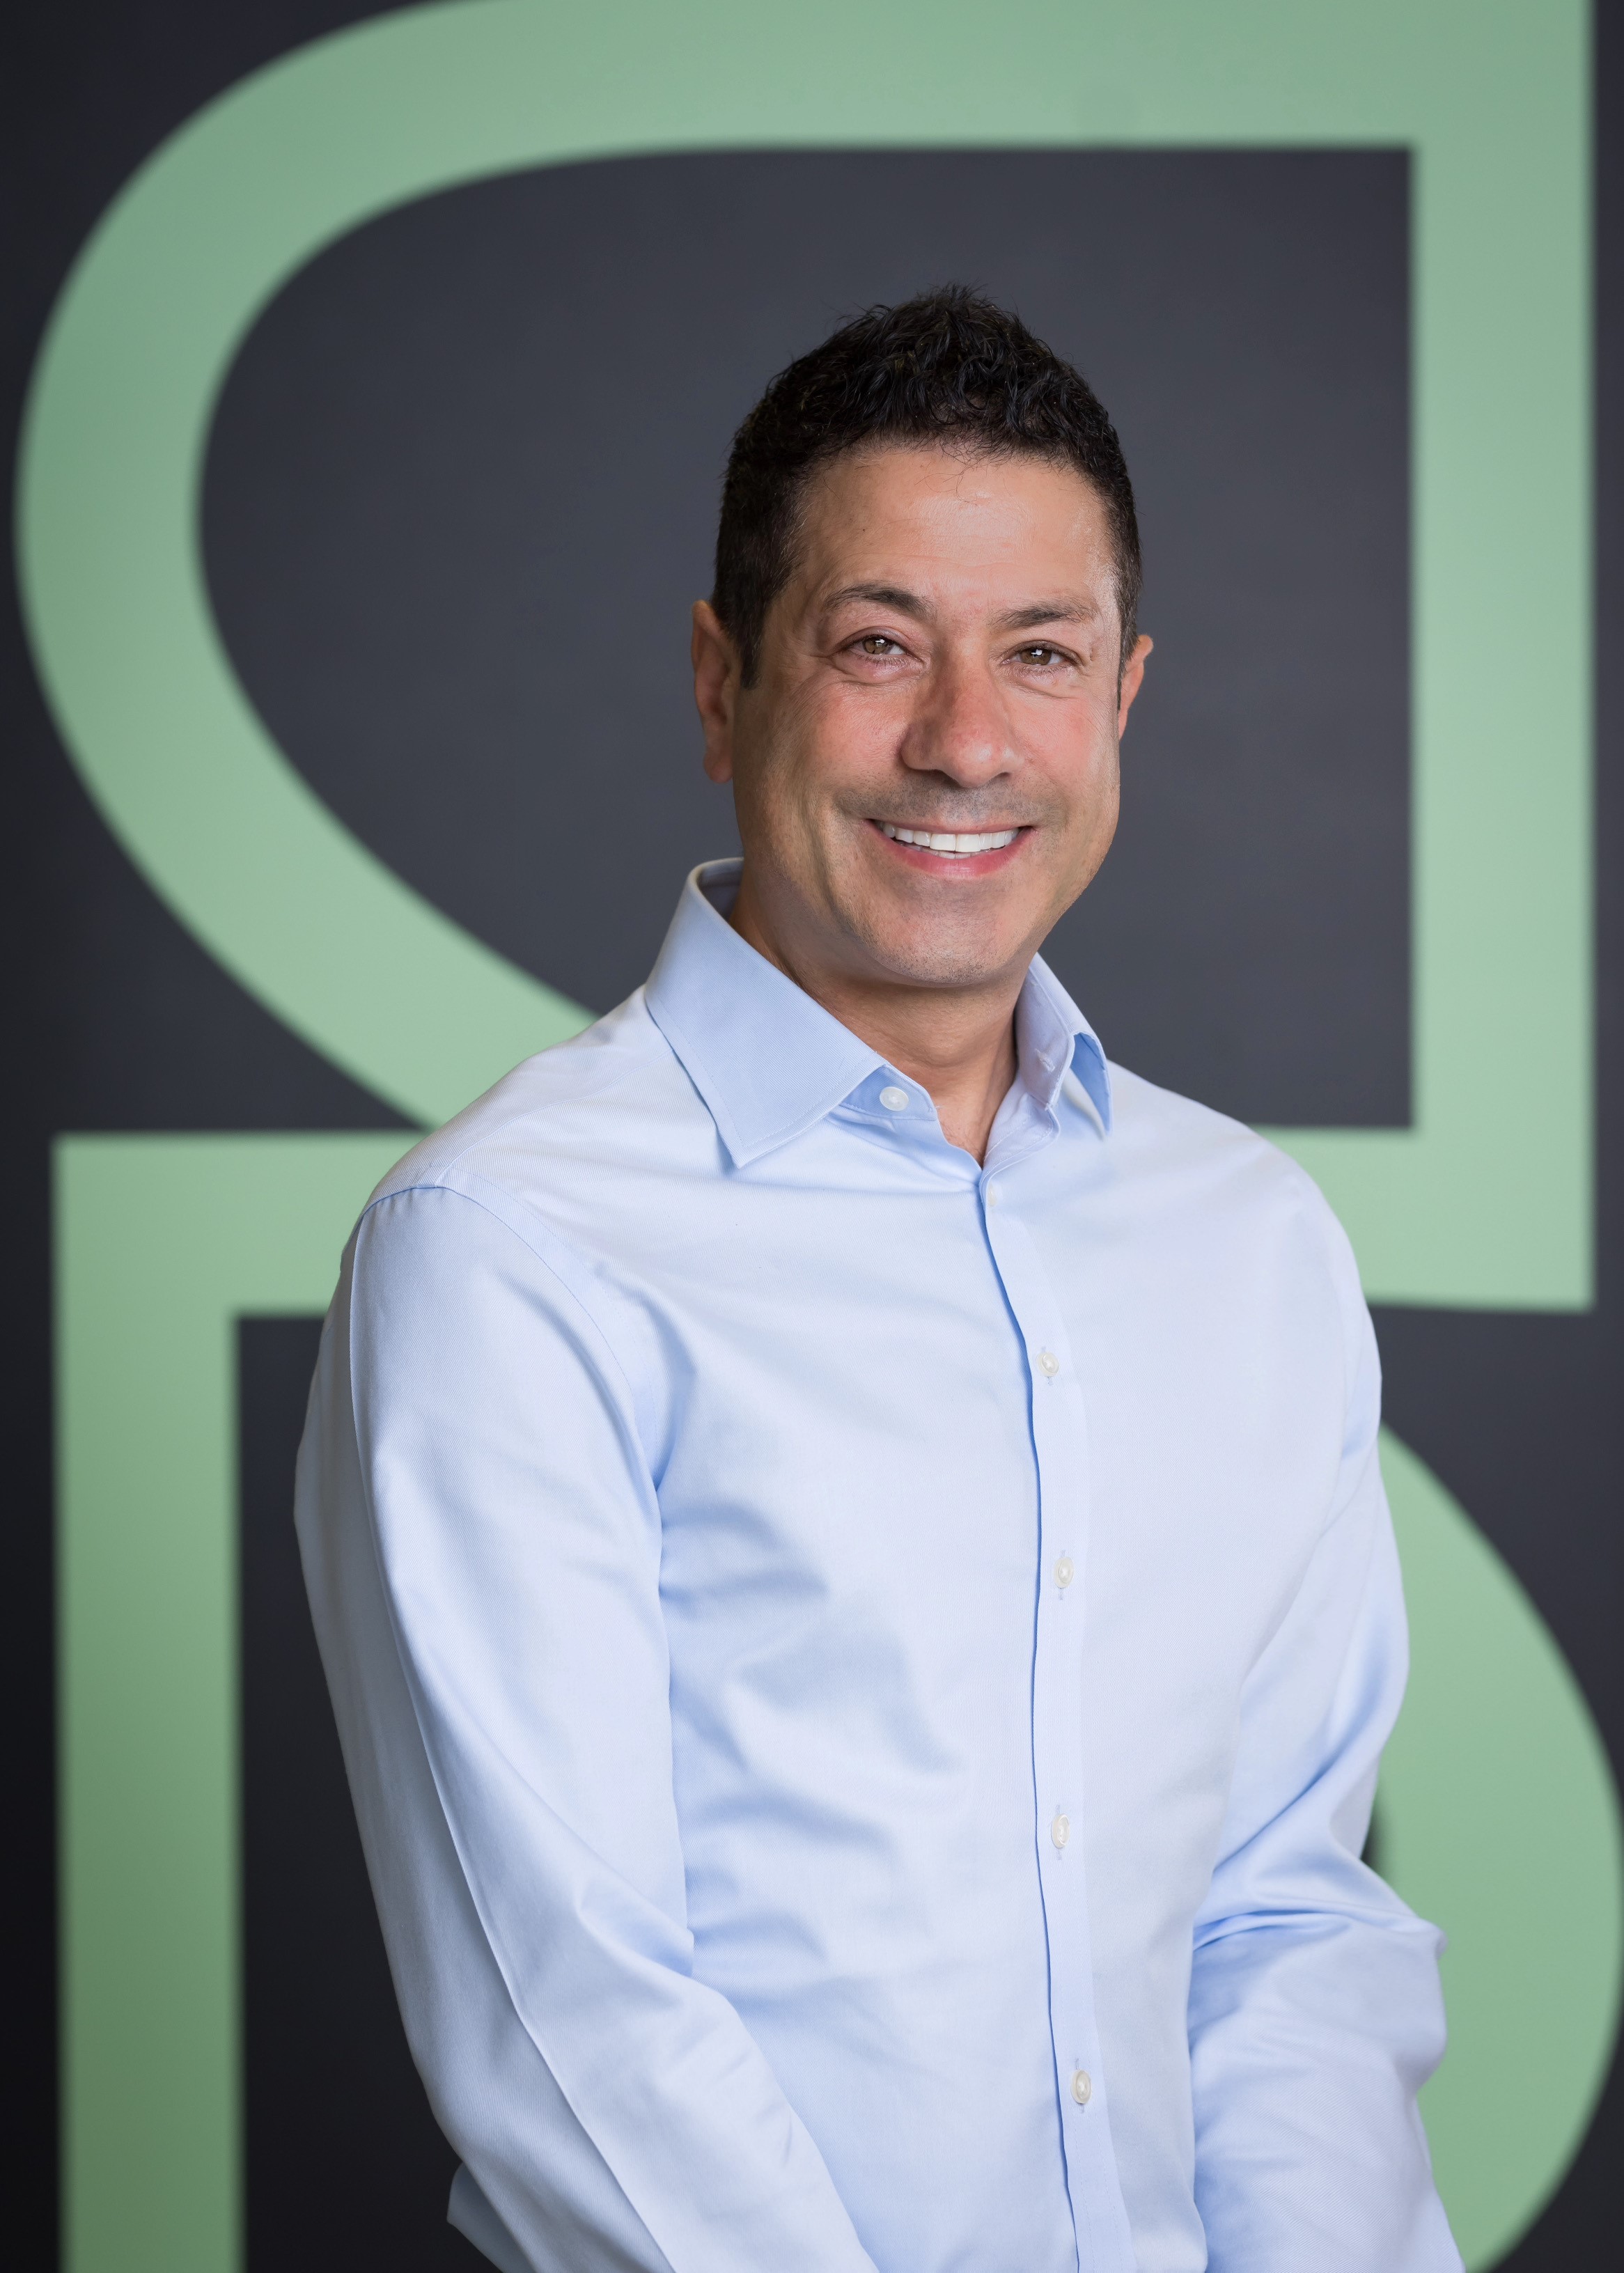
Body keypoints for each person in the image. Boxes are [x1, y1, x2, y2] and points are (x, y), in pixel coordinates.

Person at [296, 287, 1460, 2273]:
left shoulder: (1246, 1241)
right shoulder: (512, 1249)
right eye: (873, 646)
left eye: (1039, 655)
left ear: (1124, 702)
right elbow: (574, 2024)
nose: (961, 741)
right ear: (715, 680)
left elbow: (1279, 1919)